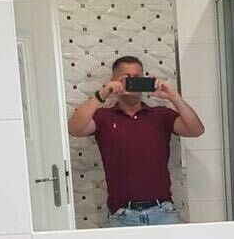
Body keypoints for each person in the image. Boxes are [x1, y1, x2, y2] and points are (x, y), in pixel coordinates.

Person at [68, 55, 205, 226]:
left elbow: (196, 130)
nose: (132, 82)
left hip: (163, 212)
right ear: (114, 80)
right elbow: (75, 129)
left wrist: (173, 97)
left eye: (137, 77)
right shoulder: (104, 117)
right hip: (122, 215)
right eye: (126, 78)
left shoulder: (160, 115)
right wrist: (102, 94)